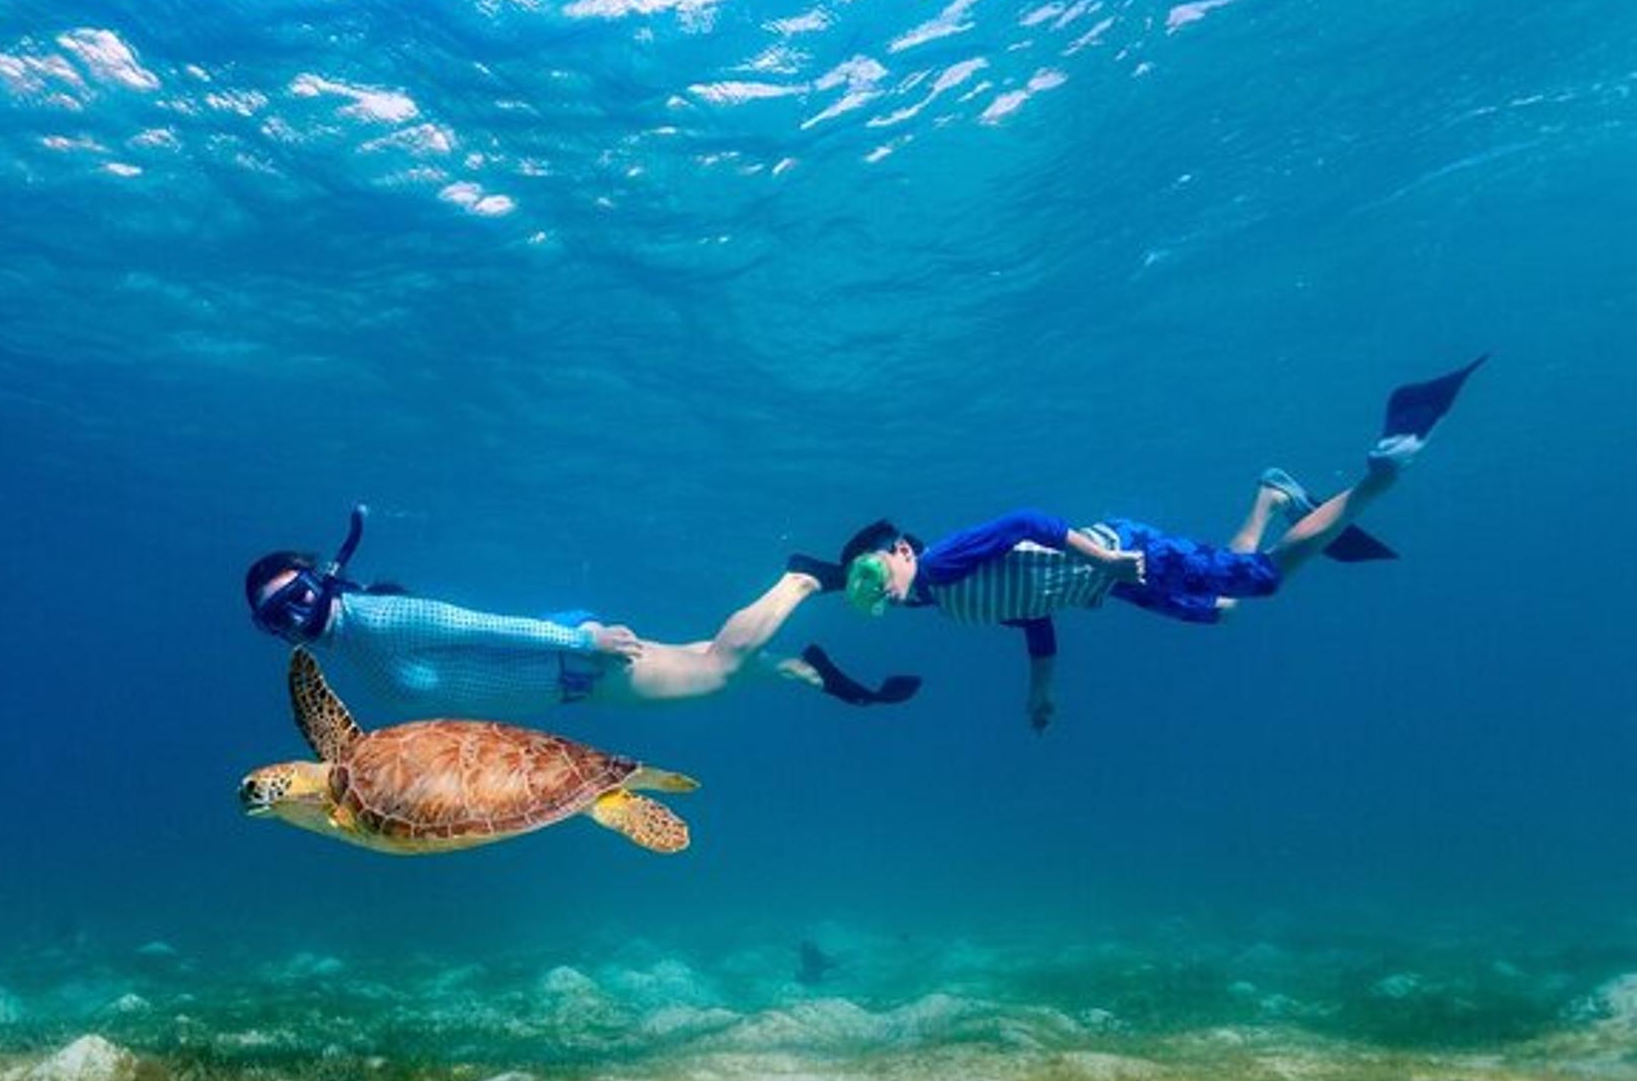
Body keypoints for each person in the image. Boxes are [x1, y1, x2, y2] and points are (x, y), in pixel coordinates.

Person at [814, 358, 1483, 733]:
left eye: (874, 572)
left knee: (1263, 580)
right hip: (1115, 584)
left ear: (900, 550)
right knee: (1223, 607)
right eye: (868, 596)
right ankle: (1271, 496)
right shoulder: (947, 602)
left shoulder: (942, 561)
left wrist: (1104, 558)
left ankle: (1379, 473)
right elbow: (1034, 619)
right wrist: (1038, 692)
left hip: (1122, 554)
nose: (881, 593)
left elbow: (1025, 519)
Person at [245, 506, 918, 717]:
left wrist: (584, 637)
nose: (296, 620)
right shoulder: (354, 642)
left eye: (295, 598)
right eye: (276, 618)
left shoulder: (375, 622)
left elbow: (484, 626)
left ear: (319, 579)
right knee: (698, 664)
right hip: (563, 677)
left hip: (570, 660)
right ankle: (805, 671)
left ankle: (799, 581)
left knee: (715, 666)